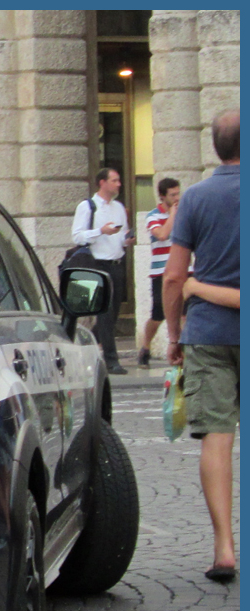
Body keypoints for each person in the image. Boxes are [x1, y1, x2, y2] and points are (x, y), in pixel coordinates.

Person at [162, 109, 240, 583]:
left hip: (209, 335)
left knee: (216, 436)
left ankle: (224, 548)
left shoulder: (194, 198)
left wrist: (174, 336)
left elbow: (174, 276)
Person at [71, 167, 133, 374]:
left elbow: (121, 238)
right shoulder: (87, 206)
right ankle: (111, 359)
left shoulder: (119, 208)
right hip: (97, 264)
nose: (118, 184)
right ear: (102, 183)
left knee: (113, 311)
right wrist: (100, 231)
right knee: (105, 313)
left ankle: (88, 342)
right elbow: (77, 236)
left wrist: (127, 240)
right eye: (114, 181)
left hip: (116, 263)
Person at [139, 177, 182, 367]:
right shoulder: (153, 216)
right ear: (163, 196)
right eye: (172, 195)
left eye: (178, 193)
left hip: (184, 269)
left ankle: (184, 352)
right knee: (158, 315)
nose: (176, 197)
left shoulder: (184, 212)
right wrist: (173, 214)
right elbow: (162, 234)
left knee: (186, 313)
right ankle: (145, 346)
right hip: (161, 271)